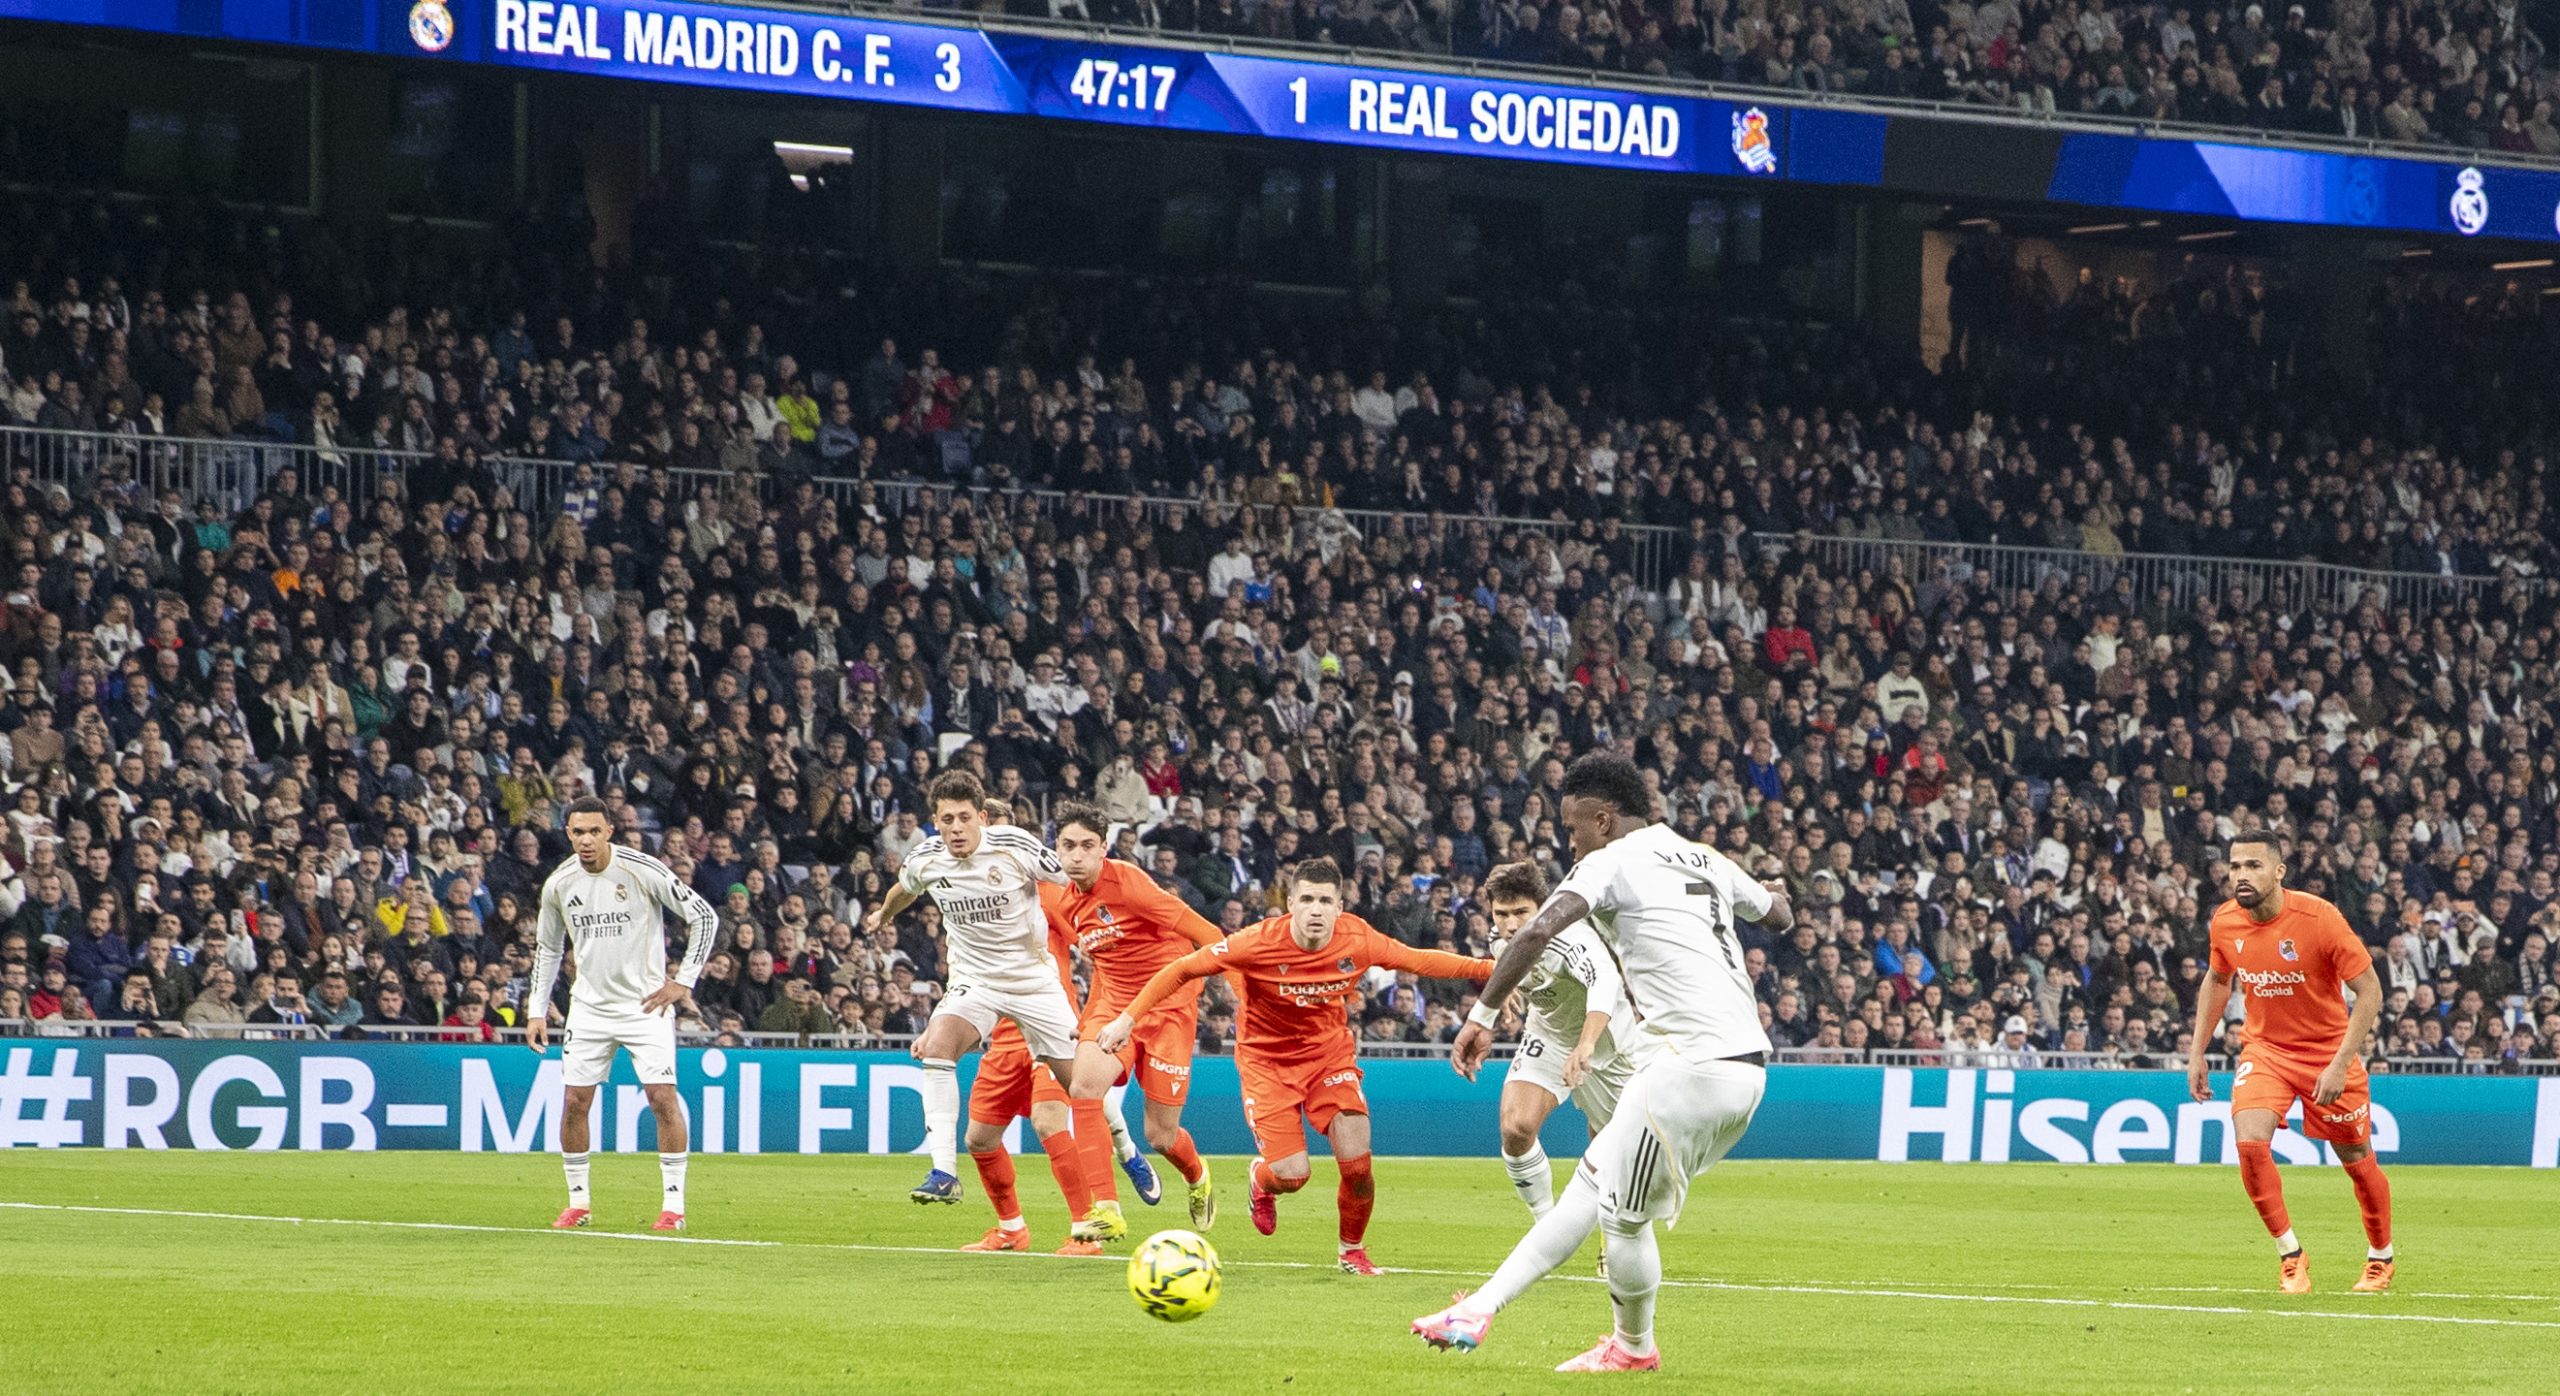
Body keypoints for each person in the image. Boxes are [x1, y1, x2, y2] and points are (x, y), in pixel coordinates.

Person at [1414, 752, 1791, 1372]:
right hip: (1742, 1068)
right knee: (1589, 1190)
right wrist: (1770, 889)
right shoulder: (1706, 856)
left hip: (1688, 1067)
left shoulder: (1611, 861)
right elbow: (1780, 915)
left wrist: (1480, 1018)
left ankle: (1632, 1350)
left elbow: (1534, 933)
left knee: (1621, 1216)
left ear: (1605, 819)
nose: (1570, 844)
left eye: (1572, 829)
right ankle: (1476, 1310)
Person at [1099, 856, 1491, 1275]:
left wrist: (1492, 969)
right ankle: (1260, 1180)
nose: (1316, 909)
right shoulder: (1255, 942)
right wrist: (1127, 1018)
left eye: (1325, 900)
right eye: (1307, 899)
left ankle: (1351, 1251)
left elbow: (1420, 960)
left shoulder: (1358, 939)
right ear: (1291, 904)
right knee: (1292, 1175)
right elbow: (1182, 968)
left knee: (1358, 1165)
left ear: (1340, 906)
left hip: (1329, 1057)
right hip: (1266, 1064)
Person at [864, 770, 1094, 1209]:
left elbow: (1079, 879)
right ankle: (944, 1172)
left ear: (982, 818)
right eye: (946, 819)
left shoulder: (1015, 847)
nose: (955, 828)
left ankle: (1123, 1147)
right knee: (938, 1046)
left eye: (963, 818)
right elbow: (904, 888)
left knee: (1083, 1084)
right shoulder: (927, 856)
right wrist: (883, 914)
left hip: (1032, 982)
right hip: (976, 981)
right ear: (935, 821)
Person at [2186, 834, 2394, 1294]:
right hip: (2265, 1051)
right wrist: (2197, 1051)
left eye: (2254, 865)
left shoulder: (2319, 919)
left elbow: (2370, 991)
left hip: (2327, 1053)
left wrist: (2340, 1063)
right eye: (2235, 865)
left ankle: (2381, 1256)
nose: (2241, 874)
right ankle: (2291, 1256)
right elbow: (2218, 980)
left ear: (2279, 872)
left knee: (2357, 1161)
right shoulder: (2224, 922)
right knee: (2250, 1143)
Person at [529, 797, 720, 1232]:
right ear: (568, 835)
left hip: (644, 1006)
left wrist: (683, 980)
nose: (586, 840)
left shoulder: (641, 869)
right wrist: (536, 1009)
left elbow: (704, 916)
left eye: (594, 831)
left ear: (609, 831)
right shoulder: (559, 883)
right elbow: (548, 947)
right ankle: (579, 1202)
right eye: (578, 832)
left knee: (662, 1099)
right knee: (575, 1102)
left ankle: (674, 1207)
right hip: (589, 1008)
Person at [957, 799, 1127, 1257]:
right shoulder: (968, 899)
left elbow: (1096, 946)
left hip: (1051, 1028)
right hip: (1005, 1036)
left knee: (1050, 1119)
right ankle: (1011, 1228)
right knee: (979, 1138)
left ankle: (1084, 1230)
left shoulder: (1046, 894)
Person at [1051, 800, 1231, 1229]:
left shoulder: (1131, 884)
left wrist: (1221, 984)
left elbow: (1208, 934)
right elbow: (1104, 964)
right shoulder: (1065, 903)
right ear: (1056, 848)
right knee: (1084, 1086)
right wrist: (1092, 1019)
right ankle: (1107, 1210)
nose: (1076, 855)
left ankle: (1197, 1175)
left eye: (1086, 846)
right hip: (1115, 1008)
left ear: (1103, 849)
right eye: (1067, 845)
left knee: (1159, 1136)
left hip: (1169, 1009)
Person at [1480, 861, 1630, 1267]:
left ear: (1543, 908)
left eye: (1521, 913)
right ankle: (1548, 1229)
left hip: (1608, 1045)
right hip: (1547, 1035)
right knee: (1516, 1128)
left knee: (1612, 1151)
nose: (1510, 925)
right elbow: (1508, 961)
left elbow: (1605, 984)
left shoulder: (1570, 938)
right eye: (1501, 913)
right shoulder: (1498, 937)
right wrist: (1503, 988)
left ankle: (1611, 1243)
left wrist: (1586, 1045)